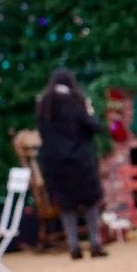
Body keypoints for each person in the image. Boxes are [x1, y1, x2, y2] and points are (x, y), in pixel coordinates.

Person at [36, 69, 107, 259]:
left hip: (55, 162)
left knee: (66, 205)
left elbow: (43, 133)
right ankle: (95, 242)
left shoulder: (44, 103)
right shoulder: (77, 100)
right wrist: (91, 112)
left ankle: (73, 245)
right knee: (90, 202)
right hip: (80, 160)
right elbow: (93, 127)